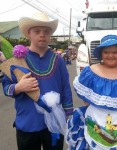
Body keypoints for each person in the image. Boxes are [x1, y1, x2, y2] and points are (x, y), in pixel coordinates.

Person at [1, 12, 73, 150]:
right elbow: (6, 87)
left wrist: (68, 114)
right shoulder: (18, 60)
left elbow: (65, 87)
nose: (42, 34)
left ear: (51, 34)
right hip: (27, 123)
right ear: (29, 33)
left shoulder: (58, 60)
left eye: (46, 31)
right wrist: (18, 87)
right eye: (37, 31)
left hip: (54, 123)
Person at [66, 35, 117, 150]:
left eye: (115, 52)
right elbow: (80, 88)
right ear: (101, 53)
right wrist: (88, 101)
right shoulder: (90, 71)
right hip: (95, 119)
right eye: (106, 52)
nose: (111, 55)